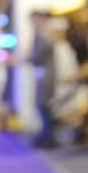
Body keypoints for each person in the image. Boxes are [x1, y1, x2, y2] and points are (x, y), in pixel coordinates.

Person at [28, 11, 57, 148]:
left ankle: (48, 136)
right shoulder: (41, 35)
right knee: (42, 106)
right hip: (43, 76)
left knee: (44, 106)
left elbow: (37, 56)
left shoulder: (45, 36)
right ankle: (46, 134)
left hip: (46, 77)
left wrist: (26, 57)